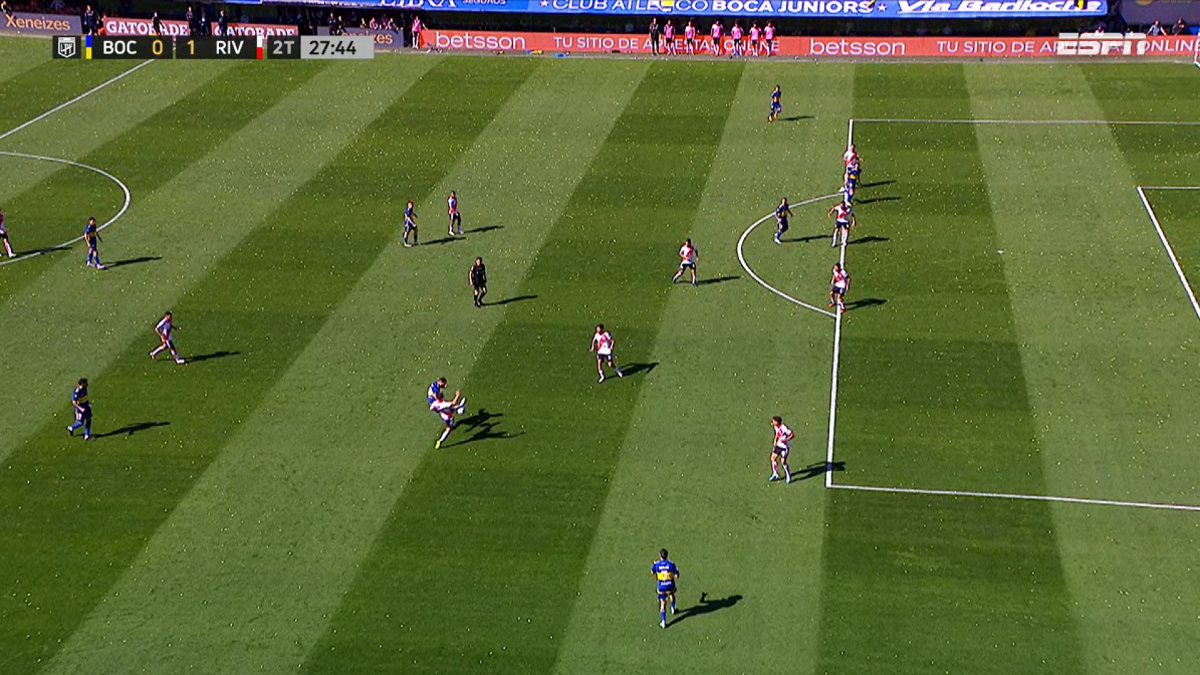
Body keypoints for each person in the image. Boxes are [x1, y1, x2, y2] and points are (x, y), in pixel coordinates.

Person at [651, 548, 679, 629]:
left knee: (663, 603)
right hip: (670, 585)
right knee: (671, 594)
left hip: (661, 587)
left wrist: (655, 565)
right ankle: (673, 608)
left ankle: (663, 622)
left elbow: (652, 572)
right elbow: (677, 576)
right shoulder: (671, 564)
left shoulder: (657, 565)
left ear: (660, 555)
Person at [769, 416, 793, 483]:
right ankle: (775, 473)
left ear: (777, 422)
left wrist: (785, 439)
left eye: (774, 421)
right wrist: (775, 440)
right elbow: (777, 434)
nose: (773, 422)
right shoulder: (775, 427)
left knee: (783, 462)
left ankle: (788, 475)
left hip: (784, 447)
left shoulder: (784, 428)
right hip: (778, 446)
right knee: (773, 458)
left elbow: (792, 435)